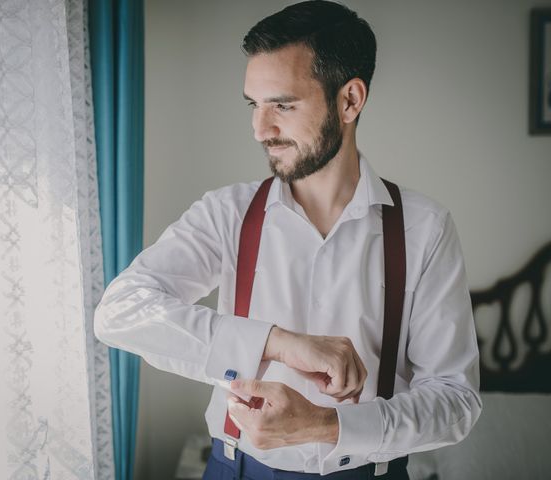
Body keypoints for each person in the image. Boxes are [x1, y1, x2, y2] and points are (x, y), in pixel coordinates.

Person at [94, 1, 482, 478]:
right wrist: (277, 343)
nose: (261, 129)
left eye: (283, 104)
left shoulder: (425, 229)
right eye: (253, 105)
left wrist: (326, 425)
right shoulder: (227, 213)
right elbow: (120, 311)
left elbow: (456, 401)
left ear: (350, 100)